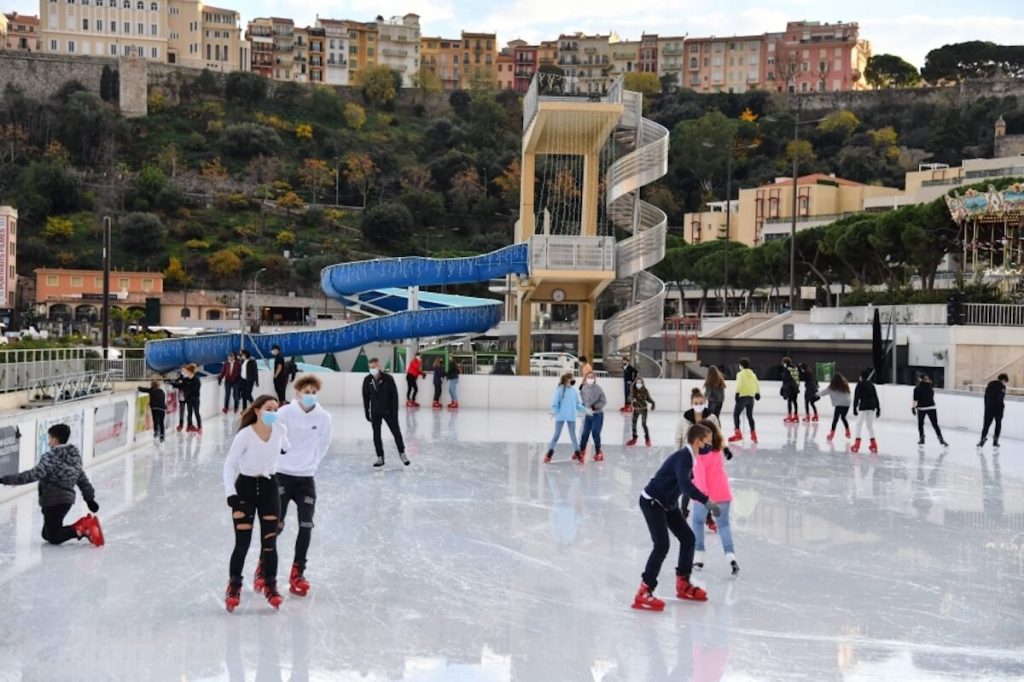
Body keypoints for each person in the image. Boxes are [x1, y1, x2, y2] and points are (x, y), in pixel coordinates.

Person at [632, 423, 722, 611]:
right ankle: (644, 591)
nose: (709, 445)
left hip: (667, 503)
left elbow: (683, 487)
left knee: (688, 539)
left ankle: (683, 584)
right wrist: (707, 501)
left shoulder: (690, 458)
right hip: (652, 502)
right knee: (662, 544)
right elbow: (685, 485)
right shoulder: (683, 457)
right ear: (698, 442)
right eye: (707, 441)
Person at [223, 396, 289, 612]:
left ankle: (270, 584)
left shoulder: (279, 430)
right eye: (269, 408)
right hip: (245, 489)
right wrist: (230, 493)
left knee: (269, 543)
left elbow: (286, 447)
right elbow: (230, 464)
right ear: (258, 410)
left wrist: (284, 437)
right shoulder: (245, 434)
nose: (273, 412)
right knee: (242, 543)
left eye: (275, 409)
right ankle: (234, 586)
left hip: (270, 487)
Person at [0, 423, 104, 548]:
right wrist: (90, 499)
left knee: (54, 538)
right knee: (47, 535)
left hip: (53, 501)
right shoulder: (75, 458)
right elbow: (82, 479)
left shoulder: (50, 457)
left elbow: (33, 475)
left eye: (49, 439)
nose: (48, 442)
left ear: (54, 440)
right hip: (65, 502)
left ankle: (83, 528)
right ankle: (82, 525)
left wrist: (4, 480)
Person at [276, 376, 333, 597]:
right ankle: (264, 568)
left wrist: (312, 463)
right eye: (305, 391)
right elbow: (275, 439)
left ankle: (297, 573)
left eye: (313, 391)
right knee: (276, 526)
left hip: (306, 478)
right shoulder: (284, 413)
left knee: (306, 526)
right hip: (282, 476)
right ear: (297, 393)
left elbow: (325, 443)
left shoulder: (324, 417)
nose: (310, 394)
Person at [689, 400, 739, 576]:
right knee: (723, 524)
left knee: (697, 522)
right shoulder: (718, 449)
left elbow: (700, 474)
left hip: (705, 495)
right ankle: (731, 557)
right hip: (723, 493)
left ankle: (699, 557)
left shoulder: (699, 452)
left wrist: (702, 496)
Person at [675, 388, 734, 535]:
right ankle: (683, 514)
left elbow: (718, 435)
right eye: (696, 403)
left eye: (701, 403)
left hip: (706, 459)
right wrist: (677, 456)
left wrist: (725, 449)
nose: (699, 405)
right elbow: (679, 438)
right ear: (691, 403)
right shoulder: (685, 419)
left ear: (705, 403)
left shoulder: (711, 418)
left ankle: (708, 518)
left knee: (704, 488)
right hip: (689, 457)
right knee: (688, 488)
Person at [362, 358, 409, 467]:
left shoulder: (388, 379)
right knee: (376, 435)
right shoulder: (367, 380)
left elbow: (394, 397)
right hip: (375, 412)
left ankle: (402, 453)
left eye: (374, 367)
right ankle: (380, 457)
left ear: (379, 367)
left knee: (396, 432)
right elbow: (365, 397)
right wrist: (366, 411)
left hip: (389, 411)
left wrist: (395, 413)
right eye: (370, 367)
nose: (372, 369)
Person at [544, 372, 586, 463]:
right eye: (572, 379)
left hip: (571, 416)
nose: (573, 381)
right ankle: (549, 453)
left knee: (573, 435)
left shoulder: (575, 391)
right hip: (560, 416)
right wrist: (553, 412)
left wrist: (586, 410)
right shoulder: (559, 390)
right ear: (567, 380)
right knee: (556, 435)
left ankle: (578, 453)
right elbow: (555, 404)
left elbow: (578, 405)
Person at [728, 358, 760, 444]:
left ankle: (738, 434)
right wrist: (757, 393)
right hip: (751, 398)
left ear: (741, 365)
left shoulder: (740, 374)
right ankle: (753, 435)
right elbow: (757, 383)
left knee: (736, 414)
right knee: (750, 416)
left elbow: (739, 383)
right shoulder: (753, 374)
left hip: (743, 397)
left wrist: (737, 393)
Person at [579, 371, 607, 463]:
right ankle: (582, 450)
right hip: (588, 415)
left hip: (597, 414)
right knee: (585, 433)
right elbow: (583, 400)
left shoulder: (598, 389)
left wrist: (594, 407)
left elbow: (603, 401)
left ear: (594, 379)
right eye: (588, 377)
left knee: (595, 432)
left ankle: (598, 451)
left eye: (591, 377)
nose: (590, 379)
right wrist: (584, 408)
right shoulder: (584, 388)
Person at [913, 374, 947, 447]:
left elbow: (915, 400)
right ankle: (941, 438)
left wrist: (913, 408)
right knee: (935, 424)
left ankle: (922, 438)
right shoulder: (930, 387)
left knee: (921, 424)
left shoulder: (917, 388)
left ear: (920, 379)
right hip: (931, 407)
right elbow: (931, 396)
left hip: (921, 408)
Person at [852, 369, 881, 453]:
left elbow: (856, 397)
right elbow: (876, 397)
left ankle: (857, 444)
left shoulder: (860, 384)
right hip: (872, 406)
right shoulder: (871, 385)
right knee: (869, 425)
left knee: (858, 424)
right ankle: (874, 444)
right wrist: (878, 408)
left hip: (863, 406)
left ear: (861, 377)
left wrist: (854, 408)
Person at [816, 373, 852, 442]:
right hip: (847, 404)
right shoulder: (845, 385)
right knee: (843, 418)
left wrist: (815, 394)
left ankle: (831, 435)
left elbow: (823, 393)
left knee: (835, 419)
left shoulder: (832, 387)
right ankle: (848, 432)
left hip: (839, 404)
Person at [979, 373, 1009, 448]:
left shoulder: (990, 384)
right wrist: (1001, 407)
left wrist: (986, 406)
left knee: (986, 425)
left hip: (988, 408)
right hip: (997, 409)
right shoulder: (1002, 386)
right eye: (1005, 381)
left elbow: (985, 396)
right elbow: (1000, 398)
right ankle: (995, 441)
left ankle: (982, 439)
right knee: (998, 424)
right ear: (1003, 380)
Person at [627, 376, 656, 447]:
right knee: (633, 424)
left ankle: (647, 439)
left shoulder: (645, 390)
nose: (638, 384)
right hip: (636, 410)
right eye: (637, 382)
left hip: (643, 410)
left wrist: (653, 403)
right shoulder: (633, 390)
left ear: (642, 383)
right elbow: (629, 398)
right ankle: (634, 438)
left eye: (640, 383)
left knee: (644, 424)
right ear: (635, 383)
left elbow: (648, 398)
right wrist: (631, 399)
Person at [172, 364, 202, 434]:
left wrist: (188, 392)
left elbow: (196, 390)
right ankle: (189, 426)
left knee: (196, 412)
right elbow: (181, 385)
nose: (186, 372)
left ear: (190, 371)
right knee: (189, 413)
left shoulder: (196, 380)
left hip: (195, 399)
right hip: (188, 399)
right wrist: (172, 383)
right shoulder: (186, 380)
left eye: (187, 371)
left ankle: (199, 427)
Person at [781, 357, 800, 423]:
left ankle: (789, 416)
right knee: (795, 402)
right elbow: (797, 378)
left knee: (789, 402)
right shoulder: (795, 368)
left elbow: (786, 379)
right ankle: (796, 416)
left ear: (785, 363)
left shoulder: (787, 369)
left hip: (790, 388)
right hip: (796, 387)